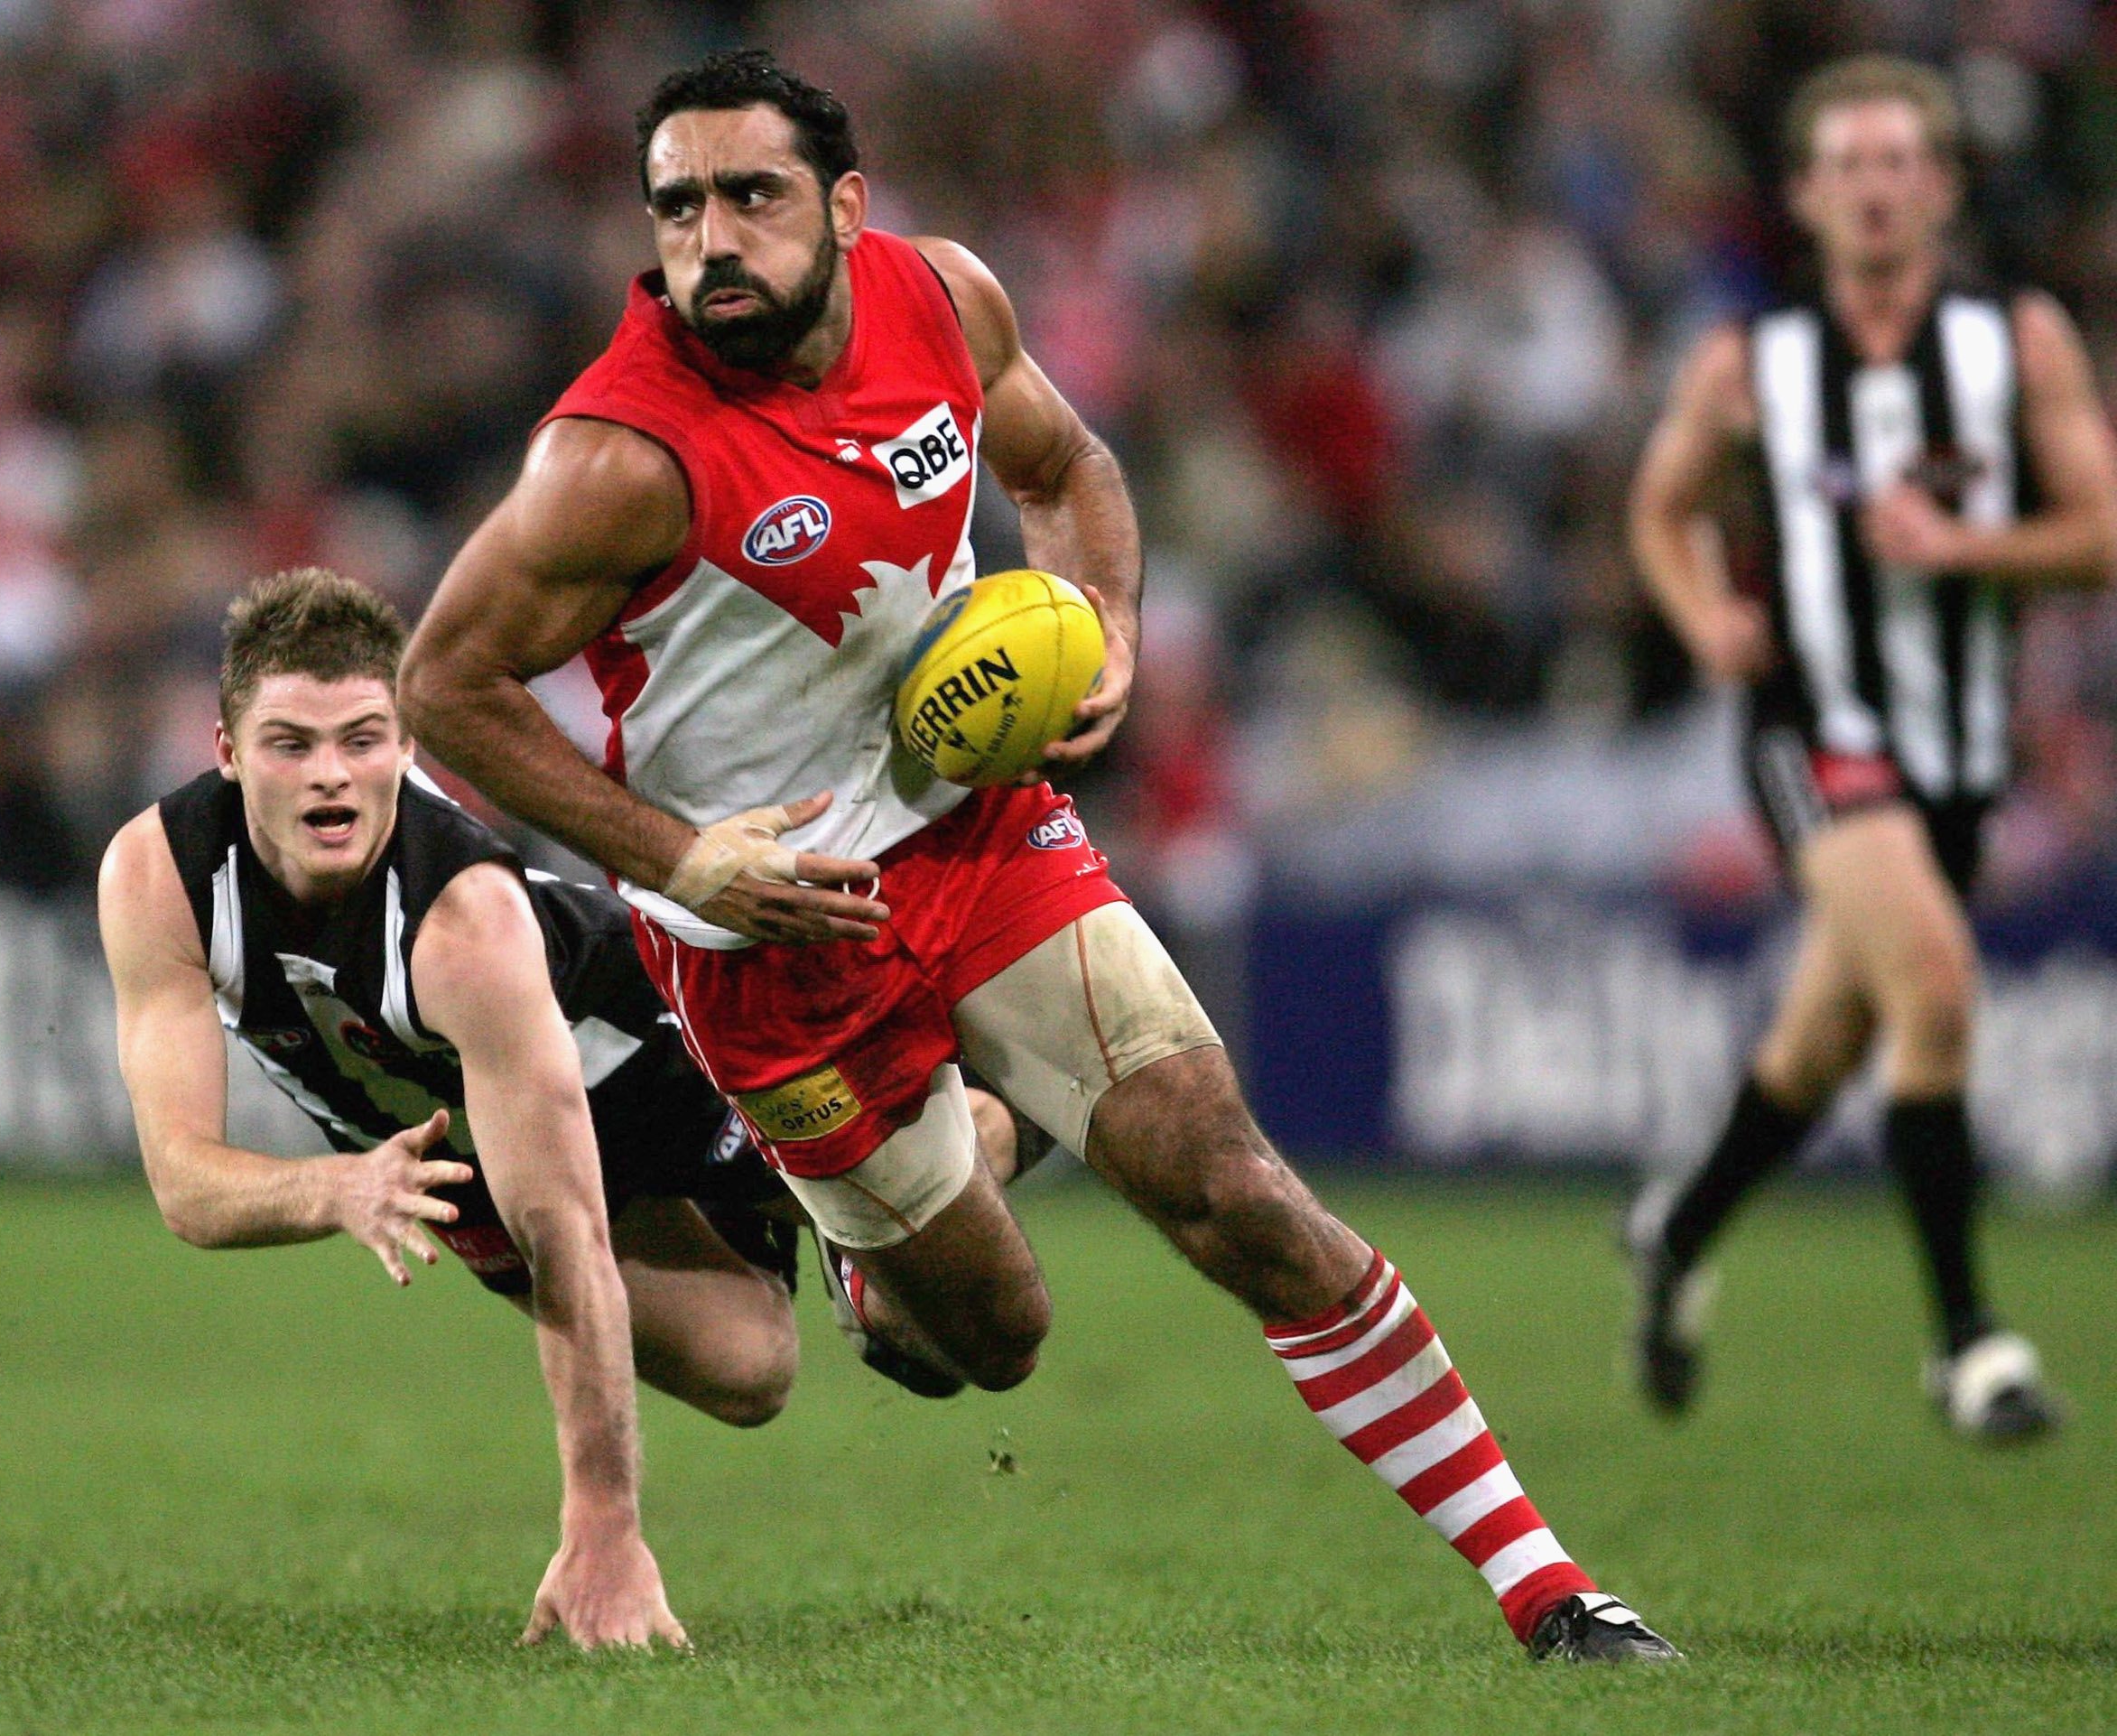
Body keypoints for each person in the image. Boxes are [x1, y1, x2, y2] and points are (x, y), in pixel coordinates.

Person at [401, 48, 1674, 1662]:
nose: (710, 239)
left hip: (983, 836)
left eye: (751, 196)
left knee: (1236, 1188)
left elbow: (1063, 467)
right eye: (677, 207)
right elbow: (443, 684)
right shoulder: (617, 460)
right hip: (771, 941)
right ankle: (926, 1226)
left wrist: (1112, 630)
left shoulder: (944, 303)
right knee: (989, 1338)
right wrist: (682, 858)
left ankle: (1550, 1586)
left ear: (846, 206)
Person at [98, 566, 807, 1651]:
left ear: (409, 745)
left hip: (668, 1055)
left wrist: (603, 1530)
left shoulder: (463, 920)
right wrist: (341, 1185)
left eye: (364, 739)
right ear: (229, 752)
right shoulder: (160, 875)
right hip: (463, 1146)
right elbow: (184, 1181)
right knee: (751, 1373)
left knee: (939, 1323)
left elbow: (561, 1224)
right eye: (290, 744)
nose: (331, 776)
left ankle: (1004, 1124)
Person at [1624, 57, 2117, 1441]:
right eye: (1849, 163)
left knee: (1823, 1039)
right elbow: (1657, 510)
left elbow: (2102, 532)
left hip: (1959, 746)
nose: (1878, 186)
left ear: (1945, 186)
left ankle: (1679, 1231)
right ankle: (1968, 1339)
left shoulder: (2017, 344)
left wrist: (1968, 547)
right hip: (1813, 725)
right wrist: (1703, 612)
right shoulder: (1751, 360)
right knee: (1939, 984)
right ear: (1805, 195)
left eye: (1903, 160)